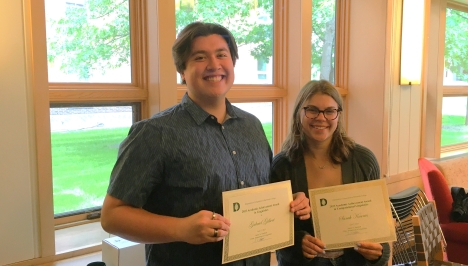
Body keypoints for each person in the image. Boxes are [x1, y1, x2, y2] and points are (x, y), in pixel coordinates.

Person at [100, 21, 311, 266]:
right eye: (200, 57)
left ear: (232, 63)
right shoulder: (154, 133)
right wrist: (180, 228)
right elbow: (112, 216)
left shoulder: (252, 126)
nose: (214, 65)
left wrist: (291, 200)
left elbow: (266, 188)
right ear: (182, 70)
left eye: (222, 55)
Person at [270, 80, 391, 266]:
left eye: (330, 111)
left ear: (338, 115)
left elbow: (379, 230)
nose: (321, 117)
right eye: (312, 110)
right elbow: (273, 231)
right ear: (298, 114)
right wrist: (298, 244)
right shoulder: (282, 165)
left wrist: (379, 253)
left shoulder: (364, 161)